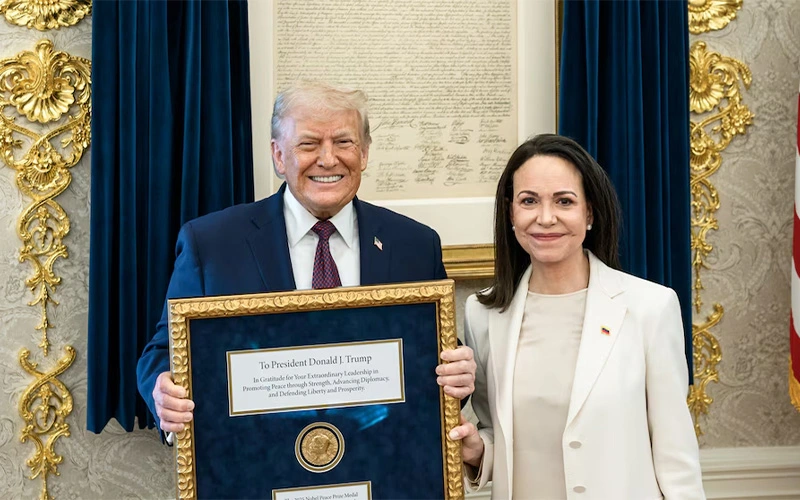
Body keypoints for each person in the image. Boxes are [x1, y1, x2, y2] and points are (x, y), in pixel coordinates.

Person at [136, 81, 476, 436]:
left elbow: (435, 357)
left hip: (381, 461)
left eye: (343, 142)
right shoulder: (211, 245)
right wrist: (163, 391)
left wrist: (458, 372)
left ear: (364, 153)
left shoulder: (415, 245)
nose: (328, 159)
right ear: (279, 156)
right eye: (309, 144)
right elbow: (163, 352)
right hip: (256, 464)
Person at [448, 134, 705, 499]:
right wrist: (477, 451)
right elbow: (498, 433)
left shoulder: (650, 307)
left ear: (589, 214)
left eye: (564, 201)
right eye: (529, 201)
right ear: (511, 214)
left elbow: (676, 455)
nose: (545, 217)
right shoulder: (483, 314)